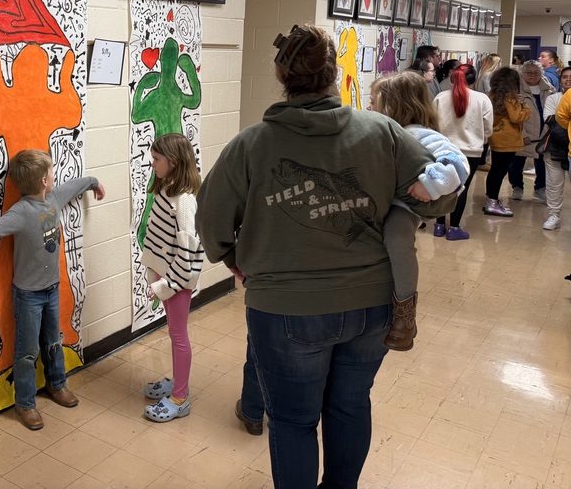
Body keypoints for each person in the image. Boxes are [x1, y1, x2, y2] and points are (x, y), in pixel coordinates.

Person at [195, 24, 456, 489]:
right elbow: (437, 197)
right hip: (372, 306)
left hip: (285, 309)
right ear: (334, 74)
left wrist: (233, 258)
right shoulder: (382, 132)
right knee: (351, 406)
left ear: (282, 76)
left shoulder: (251, 144)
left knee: (294, 422)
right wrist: (419, 196)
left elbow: (211, 220)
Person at [0, 149, 104, 431]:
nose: (55, 176)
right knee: (27, 350)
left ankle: (56, 384)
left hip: (52, 289)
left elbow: (75, 184)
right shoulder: (21, 212)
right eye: (52, 173)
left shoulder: (54, 199)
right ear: (44, 180)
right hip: (28, 295)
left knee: (53, 341)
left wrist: (94, 182)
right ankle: (26, 403)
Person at [369, 73, 468, 350]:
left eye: (374, 102)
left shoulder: (421, 135)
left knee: (397, 239)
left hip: (404, 206)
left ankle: (405, 313)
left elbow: (458, 165)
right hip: (379, 202)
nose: (368, 108)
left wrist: (431, 184)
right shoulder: (378, 131)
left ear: (394, 105)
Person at [139, 133, 205, 423]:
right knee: (173, 332)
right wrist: (155, 275)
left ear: (174, 163)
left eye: (156, 159)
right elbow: (160, 239)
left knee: (179, 335)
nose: (152, 164)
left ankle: (180, 397)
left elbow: (187, 253)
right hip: (166, 277)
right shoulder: (166, 188)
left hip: (177, 281)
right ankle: (179, 381)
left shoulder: (185, 201)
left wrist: (166, 285)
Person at [433, 64, 494, 237]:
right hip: (471, 152)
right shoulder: (482, 99)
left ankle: (438, 226)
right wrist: (480, 138)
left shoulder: (440, 98)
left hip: (442, 149)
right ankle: (454, 228)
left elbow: (432, 123)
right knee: (462, 188)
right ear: (473, 79)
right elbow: (488, 128)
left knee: (442, 185)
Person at [484, 67, 532, 217]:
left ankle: (490, 200)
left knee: (495, 170)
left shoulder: (491, 95)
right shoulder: (511, 97)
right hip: (508, 139)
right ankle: (492, 202)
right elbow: (516, 117)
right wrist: (525, 107)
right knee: (500, 171)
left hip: (495, 137)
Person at [507, 60, 554, 202]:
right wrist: (522, 135)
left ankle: (540, 189)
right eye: (529, 72)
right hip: (523, 132)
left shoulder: (549, 89)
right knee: (517, 163)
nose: (533, 75)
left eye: (536, 72)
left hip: (543, 132)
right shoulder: (515, 89)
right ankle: (517, 187)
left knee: (542, 164)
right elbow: (512, 115)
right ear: (522, 73)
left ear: (541, 73)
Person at [541, 67, 571, 229]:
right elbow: (552, 121)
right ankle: (554, 215)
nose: (568, 79)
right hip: (555, 147)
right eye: (565, 77)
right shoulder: (553, 98)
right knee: (554, 183)